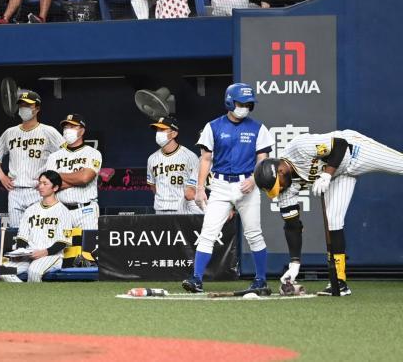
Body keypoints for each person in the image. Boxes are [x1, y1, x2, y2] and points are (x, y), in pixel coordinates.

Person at [254, 131, 403, 296]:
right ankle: (339, 282)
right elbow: (292, 226)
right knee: (333, 220)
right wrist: (294, 263)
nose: (279, 190)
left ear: (280, 170)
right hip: (338, 175)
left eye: (278, 185)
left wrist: (325, 175)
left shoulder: (298, 147)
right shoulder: (285, 191)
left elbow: (340, 144)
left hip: (355, 152)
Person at [181, 83, 273, 295]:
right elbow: (205, 159)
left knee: (254, 234)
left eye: (249, 104)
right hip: (220, 185)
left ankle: (261, 280)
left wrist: (254, 179)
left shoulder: (258, 128)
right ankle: (196, 279)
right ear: (230, 102)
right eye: (242, 103)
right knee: (208, 233)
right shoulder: (212, 126)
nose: (246, 107)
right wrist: (200, 187)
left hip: (246, 185)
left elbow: (263, 159)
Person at [0, 90, 64, 225]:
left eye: (28, 105)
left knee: (38, 231)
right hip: (15, 191)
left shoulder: (48, 131)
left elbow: (65, 154)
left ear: (37, 108)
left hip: (38, 190)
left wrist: (50, 177)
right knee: (16, 233)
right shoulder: (10, 132)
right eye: (21, 105)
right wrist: (2, 176)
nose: (23, 108)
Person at [3, 171, 73, 283]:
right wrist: (20, 252)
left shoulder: (63, 211)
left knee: (34, 271)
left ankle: (35, 299)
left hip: (51, 256)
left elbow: (63, 241)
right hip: (29, 254)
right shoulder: (31, 209)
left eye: (45, 184)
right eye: (40, 183)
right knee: (4, 271)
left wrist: (44, 252)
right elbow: (22, 236)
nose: (41, 186)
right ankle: (25, 296)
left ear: (55, 188)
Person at [42, 113, 102, 230]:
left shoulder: (92, 153)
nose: (67, 130)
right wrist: (77, 179)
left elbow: (85, 178)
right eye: (66, 127)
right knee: (61, 248)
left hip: (86, 211)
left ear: (82, 131)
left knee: (88, 248)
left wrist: (58, 176)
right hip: (61, 210)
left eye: (73, 126)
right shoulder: (54, 156)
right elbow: (49, 185)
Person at [146, 116, 203, 215]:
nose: (158, 133)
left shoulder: (190, 156)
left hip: (182, 209)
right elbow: (153, 186)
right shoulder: (152, 158)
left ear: (174, 133)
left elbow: (194, 188)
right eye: (157, 130)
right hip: (159, 210)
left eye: (163, 129)